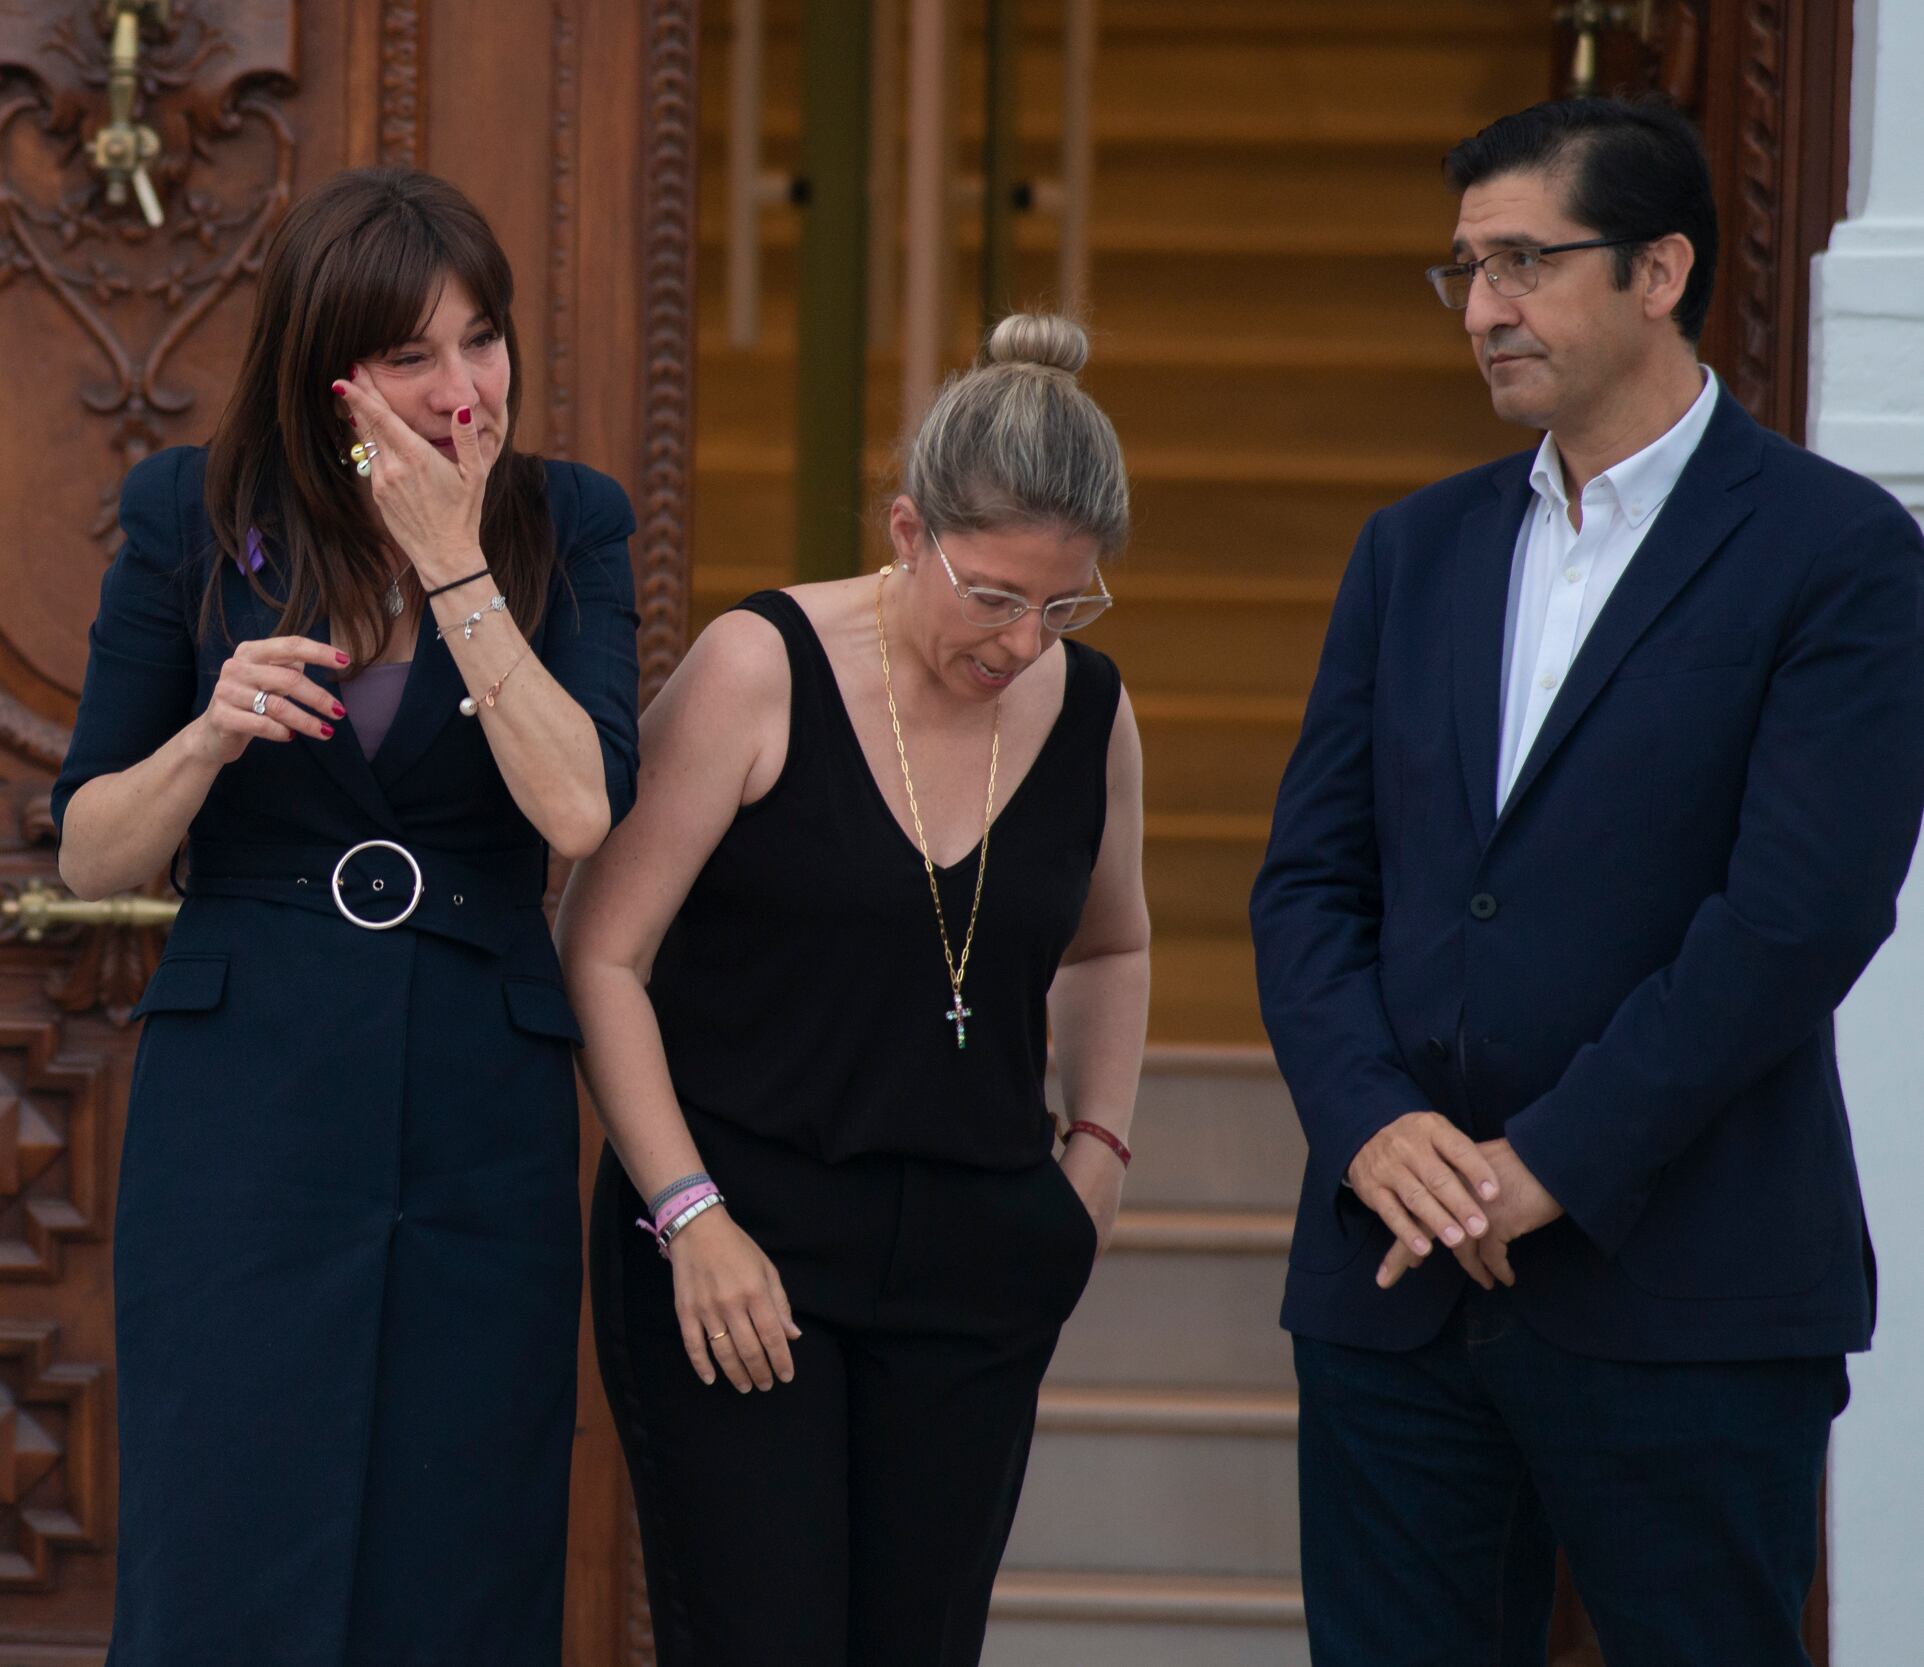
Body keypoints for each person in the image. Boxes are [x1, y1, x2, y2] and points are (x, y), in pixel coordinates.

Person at [1251, 98, 1924, 1667]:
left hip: (1688, 1287)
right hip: (1395, 1287)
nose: (1481, 308)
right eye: (1466, 269)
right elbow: (1309, 887)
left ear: (1658, 270)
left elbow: (1798, 916)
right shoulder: (1410, 552)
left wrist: (1553, 1159)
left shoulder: (1837, 552)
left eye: (1523, 263)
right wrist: (1371, 1123)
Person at [52, 166, 640, 1665]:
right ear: (327, 371)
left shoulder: (567, 524)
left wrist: (455, 562)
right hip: (243, 1107)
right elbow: (92, 847)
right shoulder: (191, 515)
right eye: (411, 355)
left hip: (478, 1110)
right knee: (225, 1542)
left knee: (460, 1550)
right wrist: (206, 737)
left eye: (482, 339)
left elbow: (578, 807)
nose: (462, 389)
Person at [558, 312, 1146, 1667]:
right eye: (993, 597)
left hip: (981, 1255)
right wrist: (688, 1213)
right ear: (907, 531)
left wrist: (1099, 1154)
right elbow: (600, 953)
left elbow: (1111, 948)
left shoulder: (1094, 710)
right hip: (740, 1242)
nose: (1023, 643)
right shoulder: (756, 667)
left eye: (1064, 606)